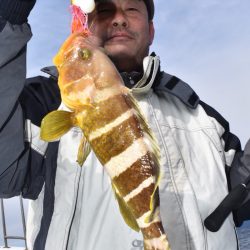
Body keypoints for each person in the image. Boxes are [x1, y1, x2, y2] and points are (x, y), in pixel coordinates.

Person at [0, 0, 250, 249]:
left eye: (132, 9)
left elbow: (241, 200)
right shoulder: (39, 105)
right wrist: (8, 17)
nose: (119, 19)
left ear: (151, 30)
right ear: (88, 27)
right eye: (106, 10)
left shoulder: (206, 120)